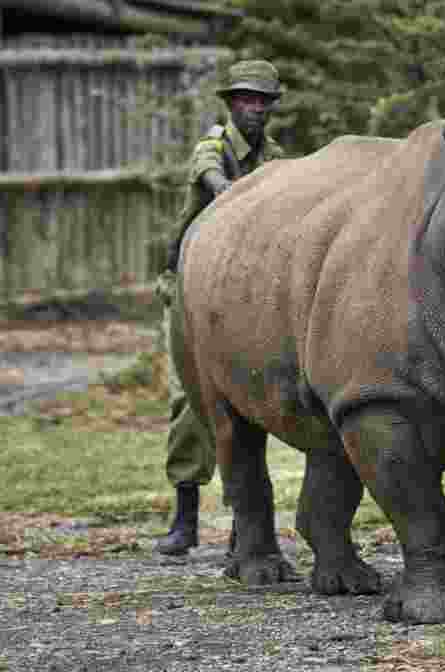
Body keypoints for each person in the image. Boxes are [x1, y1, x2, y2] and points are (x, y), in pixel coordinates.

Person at [154, 59, 285, 555]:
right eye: (246, 99)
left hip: (242, 295)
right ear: (231, 104)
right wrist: (238, 198)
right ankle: (184, 517)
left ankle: (244, 526)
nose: (254, 108)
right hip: (189, 288)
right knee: (190, 402)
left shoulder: (274, 159)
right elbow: (212, 178)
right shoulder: (213, 146)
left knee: (252, 398)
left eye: (261, 100)